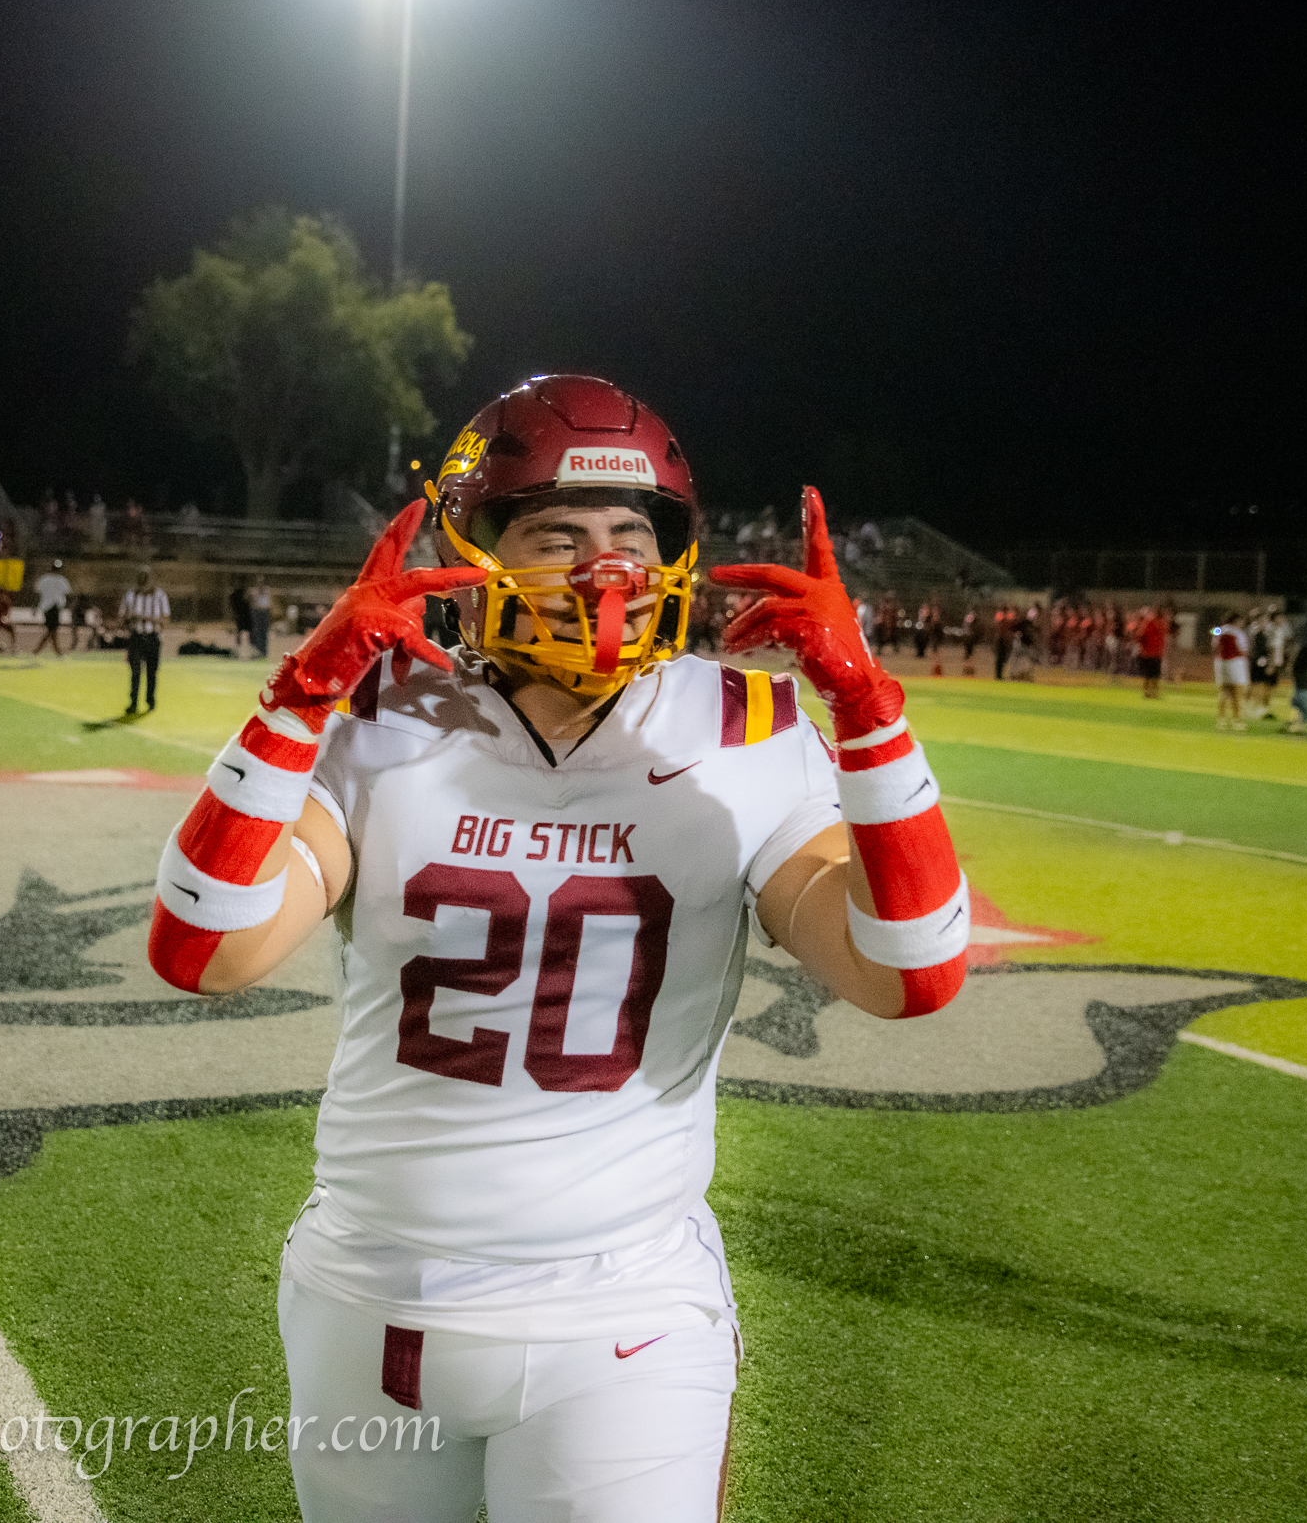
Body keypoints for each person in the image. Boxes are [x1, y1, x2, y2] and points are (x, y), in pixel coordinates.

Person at [143, 375, 970, 1521]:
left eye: (632, 534)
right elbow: (204, 949)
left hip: (619, 1308)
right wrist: (296, 702)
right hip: (369, 1291)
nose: (605, 570)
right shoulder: (385, 714)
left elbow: (906, 972)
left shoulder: (743, 727)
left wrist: (872, 717)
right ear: (473, 551)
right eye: (557, 536)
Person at [121, 568, 168, 713]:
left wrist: (152, 620)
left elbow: (165, 620)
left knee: (151, 672)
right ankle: (133, 703)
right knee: (135, 671)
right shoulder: (130, 595)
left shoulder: (160, 595)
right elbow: (123, 617)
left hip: (152, 637)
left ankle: (150, 701)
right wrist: (131, 618)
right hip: (136, 636)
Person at [1212, 612, 1249, 731]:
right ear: (1236, 621)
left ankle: (1221, 719)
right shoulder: (1238, 632)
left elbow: (1213, 642)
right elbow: (1243, 650)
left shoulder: (1220, 630)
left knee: (1223, 691)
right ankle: (1237, 721)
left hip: (1220, 663)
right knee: (1237, 693)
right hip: (1235, 663)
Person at [33, 559, 71, 657]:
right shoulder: (62, 580)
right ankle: (44, 650)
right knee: (52, 629)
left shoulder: (45, 579)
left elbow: (38, 594)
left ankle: (54, 650)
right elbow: (67, 595)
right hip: (53, 607)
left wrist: (36, 607)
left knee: (52, 629)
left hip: (47, 607)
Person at [1284, 640, 1307, 735]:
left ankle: (1294, 727)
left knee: (1297, 709)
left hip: (1297, 689)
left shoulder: (1297, 663)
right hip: (1306, 690)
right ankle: (1301, 728)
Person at [1136, 604, 1168, 699]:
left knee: (1149, 675)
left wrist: (1143, 647)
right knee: (1154, 675)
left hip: (1149, 652)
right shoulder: (1160, 623)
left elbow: (1141, 635)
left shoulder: (1149, 622)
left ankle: (1147, 692)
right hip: (1154, 653)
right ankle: (1153, 693)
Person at [251, 578, 273, 659]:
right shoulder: (255, 591)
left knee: (264, 632)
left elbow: (269, 603)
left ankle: (264, 652)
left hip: (265, 612)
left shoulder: (267, 591)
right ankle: (257, 651)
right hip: (257, 612)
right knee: (257, 632)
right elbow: (254, 602)